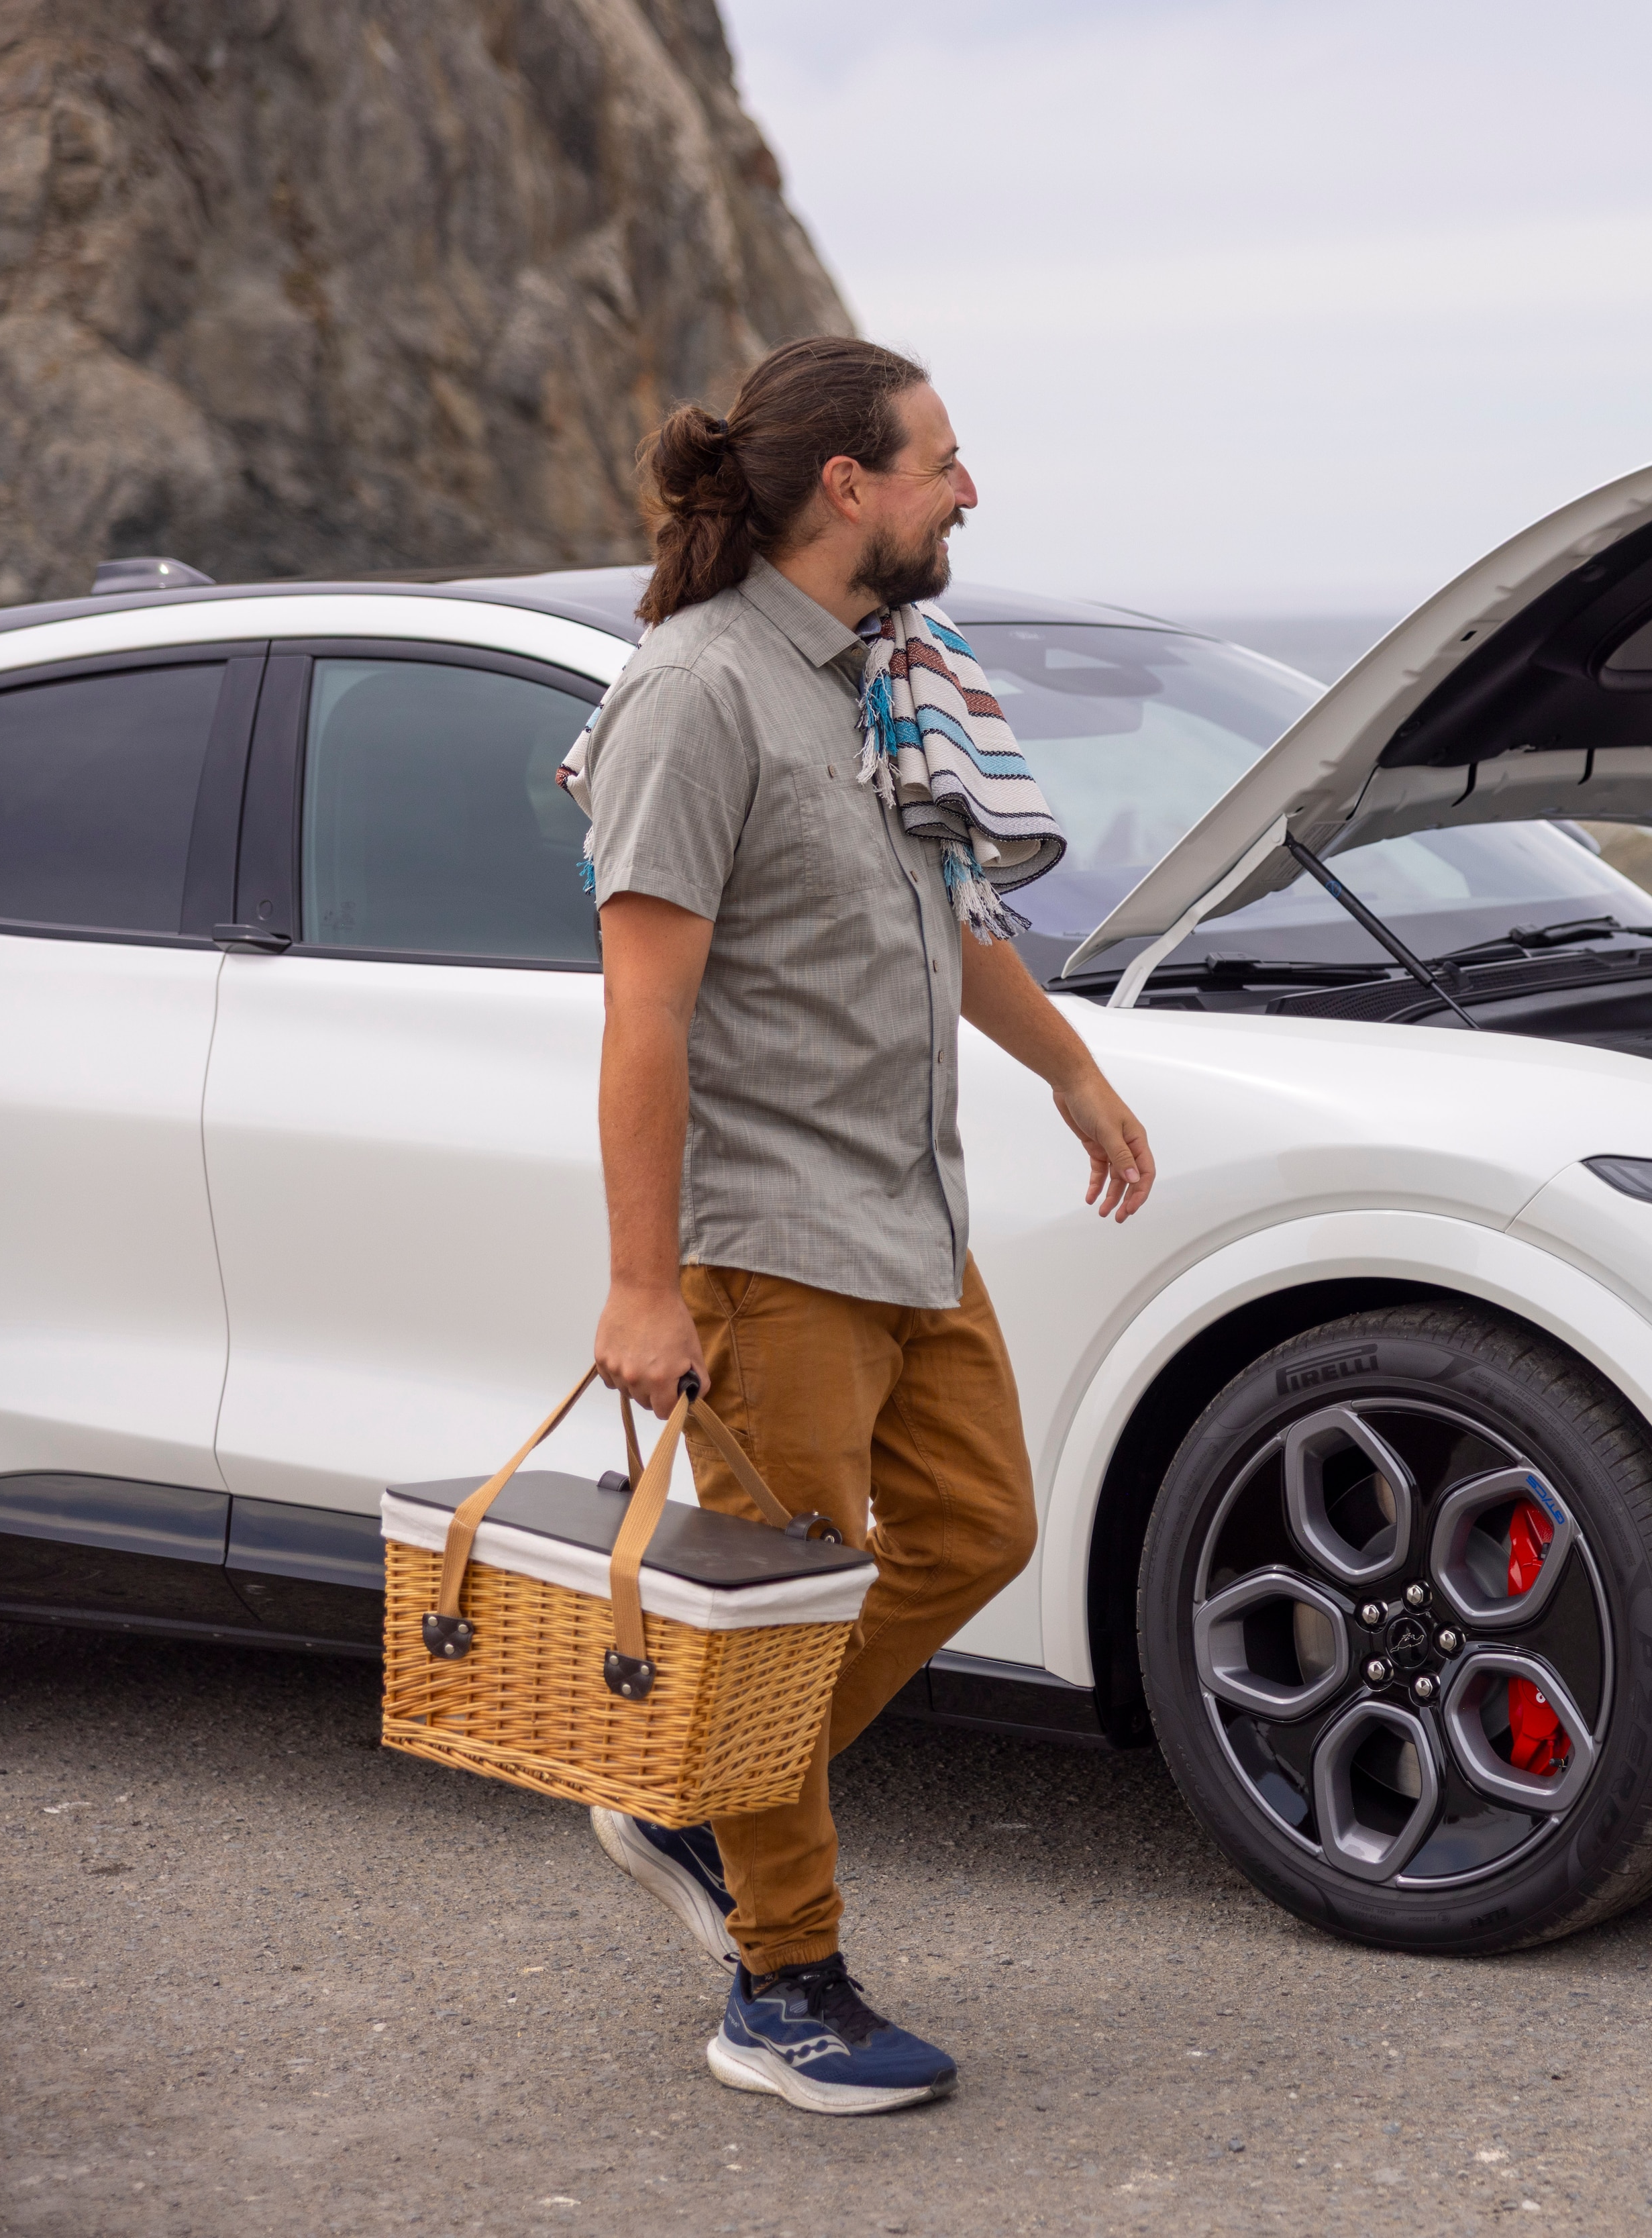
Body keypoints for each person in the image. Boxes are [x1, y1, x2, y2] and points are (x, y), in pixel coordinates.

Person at [571, 336, 1157, 2112]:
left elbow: (951, 920)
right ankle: (784, 1983)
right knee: (780, 1609)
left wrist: (1068, 1068)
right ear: (850, 487)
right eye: (944, 462)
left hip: (909, 1210)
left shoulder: (881, 678)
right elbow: (645, 1011)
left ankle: (694, 1789)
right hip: (770, 1241)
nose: (967, 492)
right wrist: (641, 1288)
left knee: (977, 1524)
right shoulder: (700, 695)